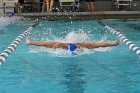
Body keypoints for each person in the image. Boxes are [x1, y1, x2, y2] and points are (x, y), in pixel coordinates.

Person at [25, 38, 120, 52]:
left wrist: (113, 44)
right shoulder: (57, 45)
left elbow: (99, 45)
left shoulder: (84, 45)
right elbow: (99, 45)